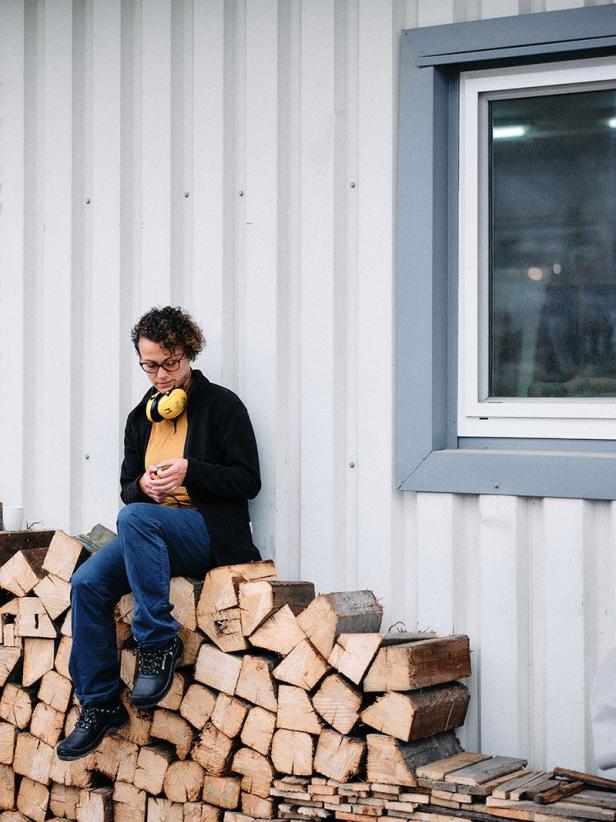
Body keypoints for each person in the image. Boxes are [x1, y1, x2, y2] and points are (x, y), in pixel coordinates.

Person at [56, 306, 261, 761]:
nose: (161, 375)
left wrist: (192, 471)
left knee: (132, 520)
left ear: (189, 353)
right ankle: (100, 703)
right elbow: (129, 488)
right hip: (151, 532)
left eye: (170, 363)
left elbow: (248, 480)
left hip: (208, 535)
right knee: (86, 584)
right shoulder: (139, 418)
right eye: (150, 365)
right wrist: (143, 487)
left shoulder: (222, 405)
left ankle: (157, 641)